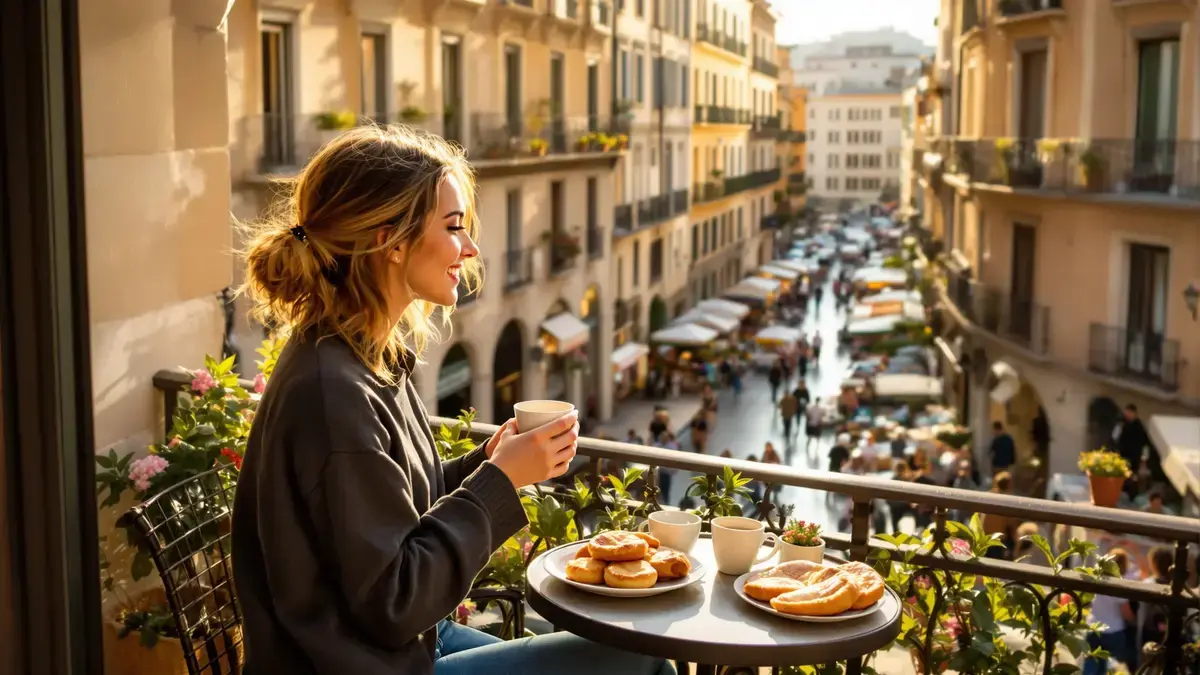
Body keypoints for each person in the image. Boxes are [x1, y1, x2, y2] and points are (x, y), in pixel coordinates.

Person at [232, 126, 673, 675]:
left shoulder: (363, 357)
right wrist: (501, 484)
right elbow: (393, 601)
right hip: (376, 662)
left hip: (408, 649)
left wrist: (487, 462)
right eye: (453, 227)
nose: (470, 248)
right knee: (641, 665)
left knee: (636, 654)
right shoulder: (333, 391)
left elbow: (386, 510)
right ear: (390, 241)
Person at [1083, 549, 1136, 675]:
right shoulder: (1119, 587)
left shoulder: (1097, 581)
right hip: (1113, 631)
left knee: (1091, 666)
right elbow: (1126, 613)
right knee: (1112, 666)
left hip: (1094, 627)